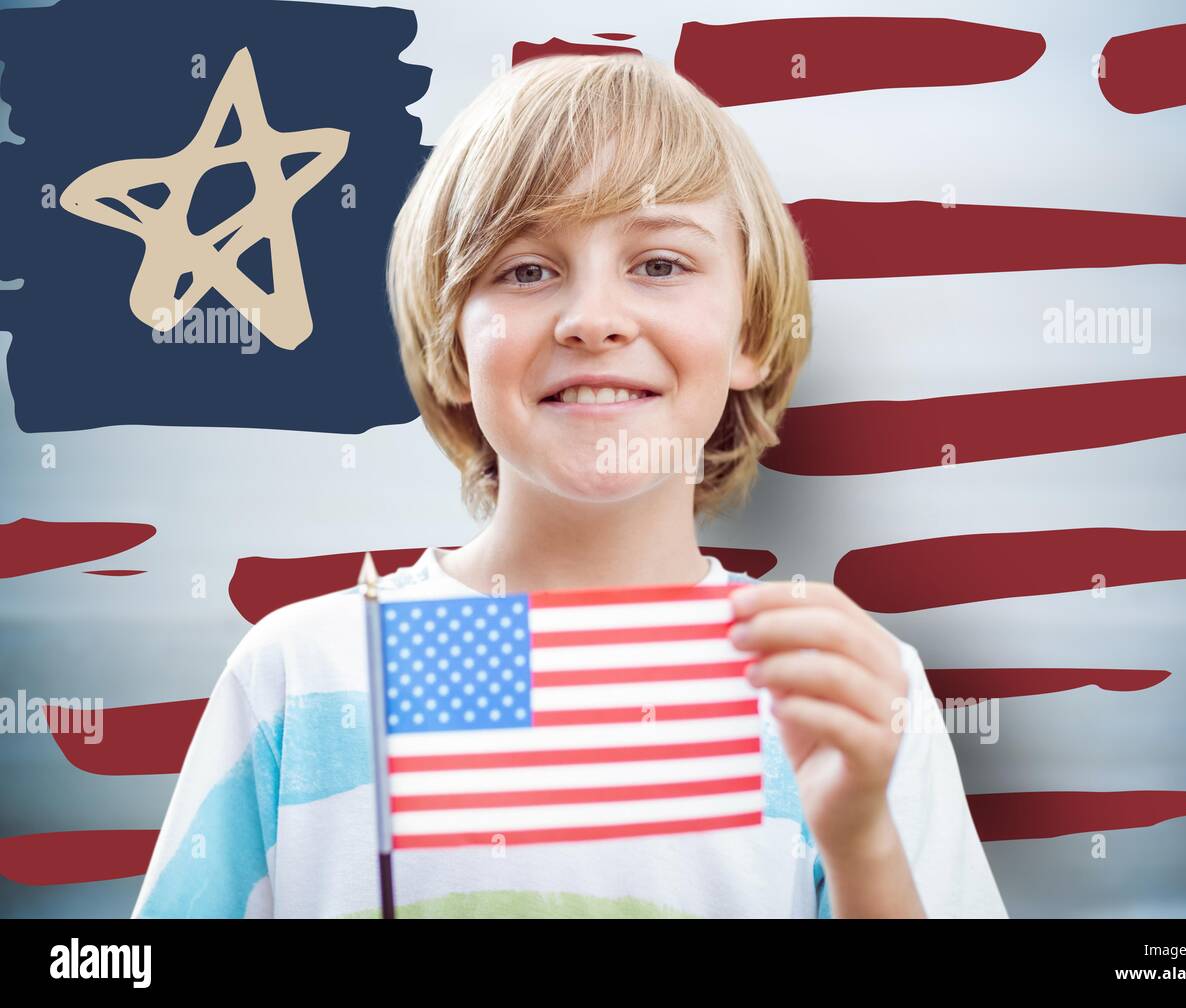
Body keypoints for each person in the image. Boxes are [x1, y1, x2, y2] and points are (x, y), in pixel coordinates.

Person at [132, 53, 1006, 919]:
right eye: (526, 270)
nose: (592, 320)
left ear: (755, 333)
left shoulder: (846, 688)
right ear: (451, 350)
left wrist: (861, 846)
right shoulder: (303, 676)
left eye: (660, 264)